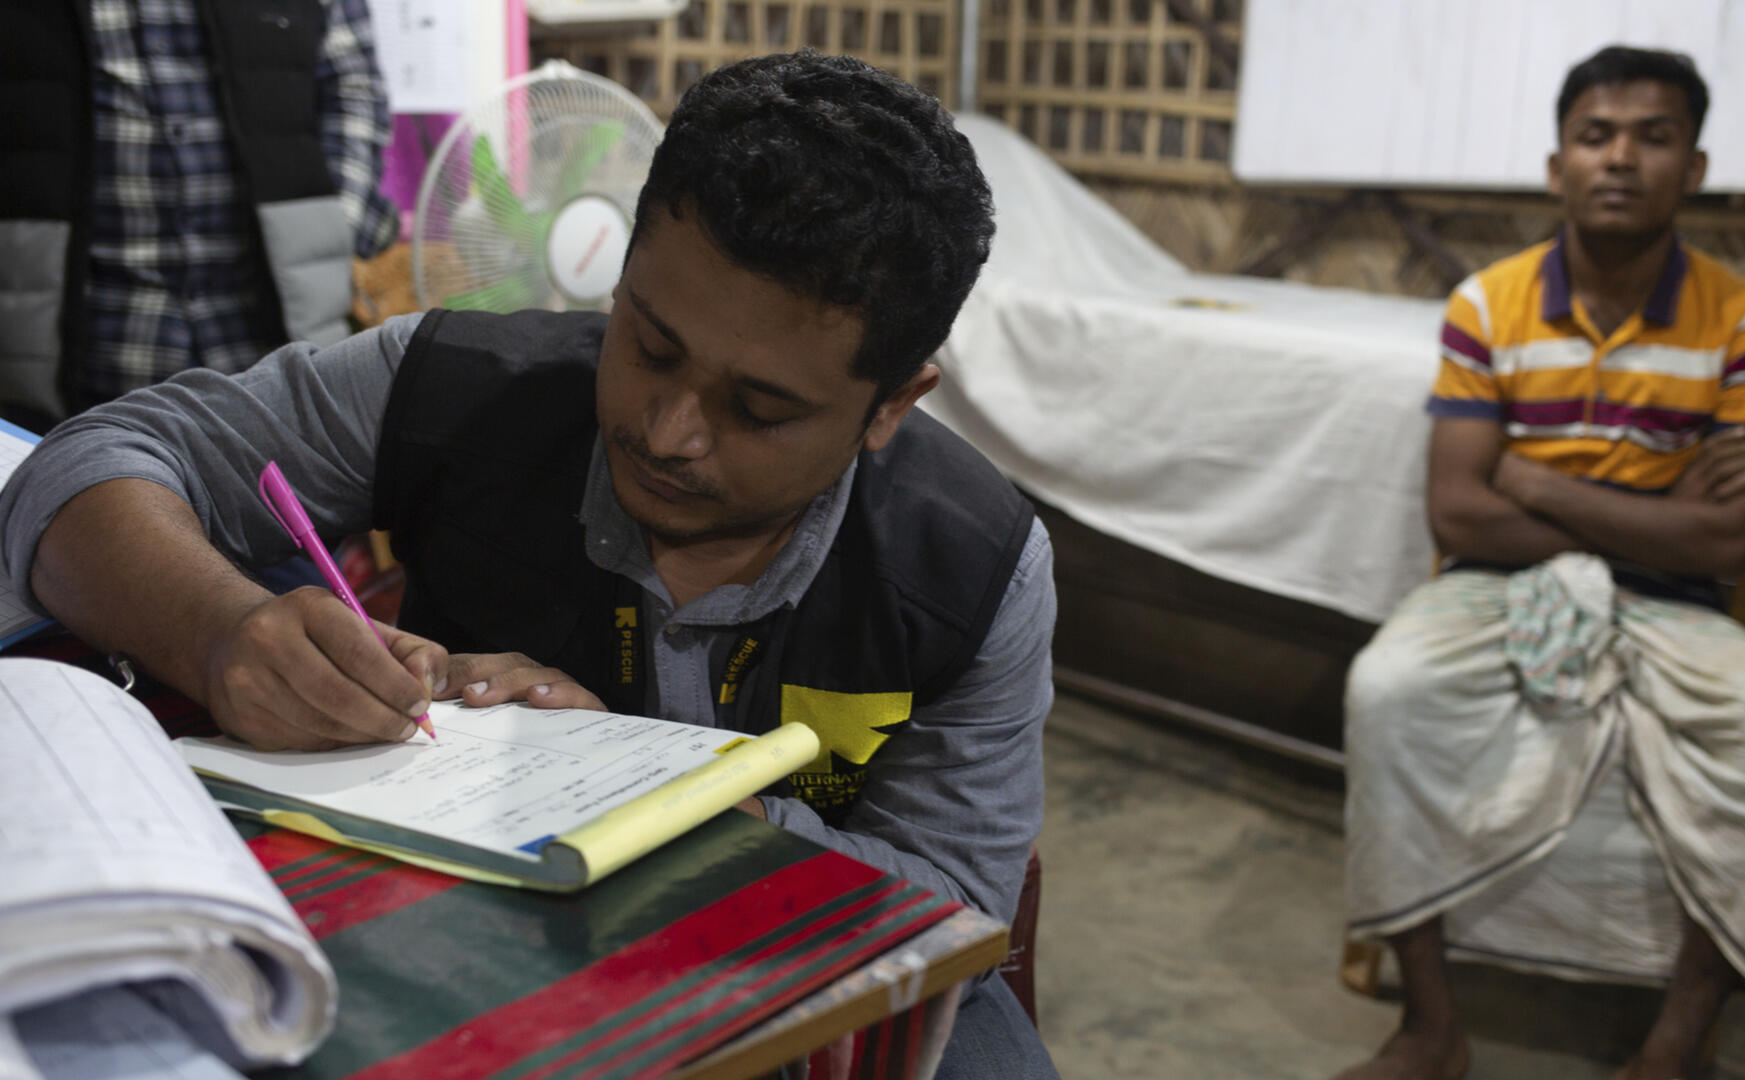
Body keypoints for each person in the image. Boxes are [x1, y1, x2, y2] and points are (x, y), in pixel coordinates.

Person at [0, 51, 1057, 1078]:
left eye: (760, 409)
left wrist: (663, 793)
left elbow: (957, 903)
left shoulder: (973, 565)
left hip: (799, 951)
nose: (670, 430)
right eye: (648, 343)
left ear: (892, 406)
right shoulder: (453, 391)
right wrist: (221, 628)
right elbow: (84, 467)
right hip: (470, 939)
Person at [1336, 46, 1745, 1080]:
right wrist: (1656, 504)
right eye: (1596, 135)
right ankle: (1433, 1028)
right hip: (1496, 583)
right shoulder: (1490, 304)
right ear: (1557, 162)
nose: (1621, 159)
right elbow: (1461, 511)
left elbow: (1723, 544)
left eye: (1654, 138)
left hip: (1680, 601)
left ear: (1692, 169)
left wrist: (1541, 482)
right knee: (1387, 689)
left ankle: (1676, 1042)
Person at [0, 0, 398, 430]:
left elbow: (353, 89)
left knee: (289, 484)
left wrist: (332, 231)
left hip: (279, 341)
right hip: (75, 351)